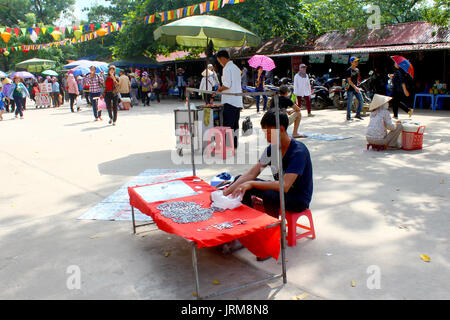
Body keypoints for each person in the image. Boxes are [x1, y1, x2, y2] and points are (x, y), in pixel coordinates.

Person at [223, 110, 313, 260]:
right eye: (265, 133)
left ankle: (271, 239)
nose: (266, 137)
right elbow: (251, 174)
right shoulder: (271, 149)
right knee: (242, 182)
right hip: (281, 191)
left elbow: (285, 186)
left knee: (269, 194)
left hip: (298, 198)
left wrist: (252, 183)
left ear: (282, 130)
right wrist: (225, 192)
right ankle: (248, 231)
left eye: (269, 132)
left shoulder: (298, 151)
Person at [216, 50, 243, 149]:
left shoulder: (227, 68)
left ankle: (228, 146)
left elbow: (227, 85)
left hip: (230, 101)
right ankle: (234, 145)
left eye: (219, 61)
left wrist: (219, 89)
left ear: (222, 58)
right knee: (235, 125)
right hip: (237, 101)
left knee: (228, 125)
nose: (220, 63)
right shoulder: (236, 68)